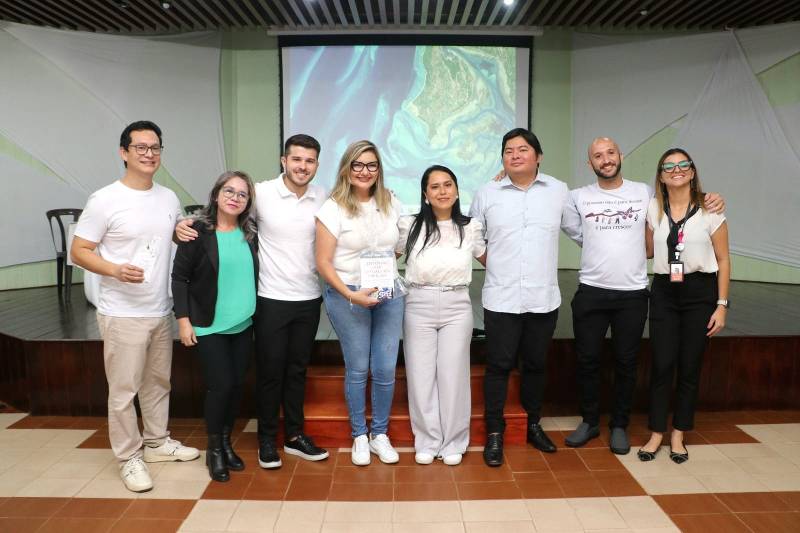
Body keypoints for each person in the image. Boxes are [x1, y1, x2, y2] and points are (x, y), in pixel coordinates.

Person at [560, 138, 725, 455]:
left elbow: (680, 200)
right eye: (598, 156)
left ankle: (619, 425)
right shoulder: (577, 197)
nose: (606, 159)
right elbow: (574, 229)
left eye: (610, 153)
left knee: (626, 363)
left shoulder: (645, 194)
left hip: (633, 294)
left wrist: (712, 198)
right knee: (587, 360)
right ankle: (590, 421)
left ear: (621, 156)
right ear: (589, 163)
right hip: (591, 291)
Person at [176, 135, 330, 470]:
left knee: (297, 371)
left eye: (310, 161)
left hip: (308, 298)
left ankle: (294, 436)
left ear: (317, 165)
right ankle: (267, 441)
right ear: (284, 160)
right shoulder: (260, 193)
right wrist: (182, 224)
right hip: (269, 298)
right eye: (296, 159)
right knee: (270, 373)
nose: (302, 166)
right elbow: (222, 211)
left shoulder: (323, 196)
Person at [71, 120, 199, 493]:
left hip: (159, 308)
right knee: (124, 390)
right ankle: (129, 457)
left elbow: (169, 237)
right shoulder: (104, 199)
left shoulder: (168, 197)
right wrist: (113, 269)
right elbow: (80, 251)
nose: (149, 154)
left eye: (155, 147)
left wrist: (181, 230)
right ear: (124, 152)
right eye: (140, 147)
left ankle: (157, 443)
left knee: (157, 383)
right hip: (122, 311)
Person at [470, 128, 569, 466]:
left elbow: (579, 228)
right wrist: (494, 261)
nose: (514, 155)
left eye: (522, 149)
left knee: (536, 365)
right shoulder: (487, 192)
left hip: (543, 297)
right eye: (508, 150)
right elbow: (473, 236)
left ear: (538, 156)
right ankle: (494, 432)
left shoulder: (558, 190)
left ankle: (533, 424)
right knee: (498, 366)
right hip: (502, 297)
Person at [315, 140, 404, 466]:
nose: (365, 171)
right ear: (347, 168)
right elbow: (323, 261)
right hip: (348, 294)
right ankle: (359, 436)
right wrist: (351, 294)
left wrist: (383, 270)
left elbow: (397, 246)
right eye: (358, 165)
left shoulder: (391, 202)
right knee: (358, 368)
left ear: (379, 169)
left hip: (387, 292)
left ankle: (379, 434)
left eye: (371, 165)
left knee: (385, 367)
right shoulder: (332, 207)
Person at [639, 148, 730, 464]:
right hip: (664, 292)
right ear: (661, 176)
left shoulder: (710, 209)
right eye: (669, 166)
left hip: (699, 292)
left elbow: (723, 259)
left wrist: (721, 305)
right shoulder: (653, 207)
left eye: (683, 165)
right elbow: (648, 251)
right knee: (662, 364)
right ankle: (656, 433)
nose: (676, 170)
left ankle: (678, 434)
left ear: (692, 172)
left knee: (690, 366)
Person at [396, 165, 486, 466]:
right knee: (420, 376)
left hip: (456, 305)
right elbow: (384, 257)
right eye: (434, 187)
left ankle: (454, 442)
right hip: (417, 303)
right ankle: (427, 440)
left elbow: (491, 259)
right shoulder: (409, 225)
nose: (442, 191)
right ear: (425, 194)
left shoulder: (470, 227)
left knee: (453, 376)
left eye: (448, 185)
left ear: (457, 191)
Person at [171, 171, 258, 482]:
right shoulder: (197, 231)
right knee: (220, 387)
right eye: (229, 191)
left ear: (248, 202)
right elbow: (179, 278)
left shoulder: (251, 233)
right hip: (209, 325)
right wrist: (183, 321)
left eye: (242, 194)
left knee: (235, 387)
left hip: (243, 323)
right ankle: (214, 450)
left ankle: (226, 442)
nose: (235, 198)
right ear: (216, 194)